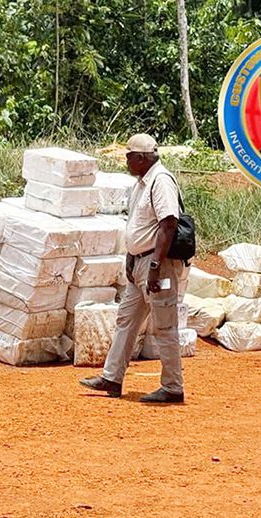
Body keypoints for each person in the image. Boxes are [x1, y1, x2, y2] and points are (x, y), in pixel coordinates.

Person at [79, 133, 186, 403]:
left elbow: (168, 224)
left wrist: (153, 265)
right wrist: (131, 256)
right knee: (126, 320)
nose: (126, 162)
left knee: (164, 326)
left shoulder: (160, 181)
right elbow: (139, 226)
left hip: (157, 269)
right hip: (140, 264)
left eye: (128, 157)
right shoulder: (141, 183)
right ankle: (112, 378)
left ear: (141, 158)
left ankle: (173, 387)